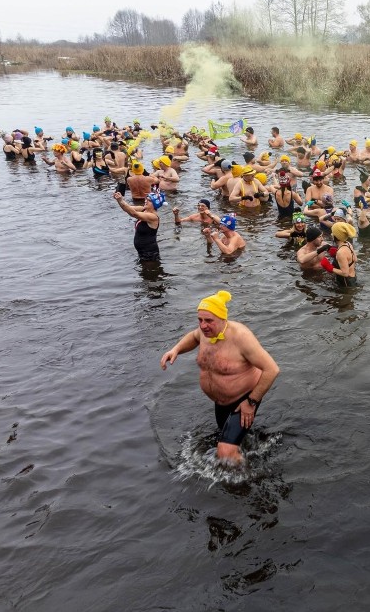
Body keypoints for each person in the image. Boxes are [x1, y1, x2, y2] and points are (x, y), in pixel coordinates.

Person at [160, 291, 280, 464]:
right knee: (228, 439)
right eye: (200, 320)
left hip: (244, 399)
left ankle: (247, 482)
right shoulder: (204, 332)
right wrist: (176, 349)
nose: (203, 326)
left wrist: (251, 403)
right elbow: (193, 337)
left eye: (209, 321)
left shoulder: (241, 337)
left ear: (223, 319)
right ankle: (246, 453)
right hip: (221, 402)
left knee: (225, 451)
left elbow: (272, 369)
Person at [114, 190, 165, 261]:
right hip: (142, 251)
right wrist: (119, 200)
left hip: (149, 253)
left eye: (149, 200)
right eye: (146, 199)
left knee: (151, 271)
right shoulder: (143, 209)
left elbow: (134, 214)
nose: (146, 201)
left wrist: (121, 200)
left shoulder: (153, 217)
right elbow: (128, 209)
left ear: (155, 204)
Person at [319, 222, 358, 287]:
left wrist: (330, 268)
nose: (331, 234)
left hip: (346, 282)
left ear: (336, 236)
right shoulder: (348, 244)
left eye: (332, 233)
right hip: (353, 278)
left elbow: (345, 273)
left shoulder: (341, 252)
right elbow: (355, 259)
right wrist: (336, 255)